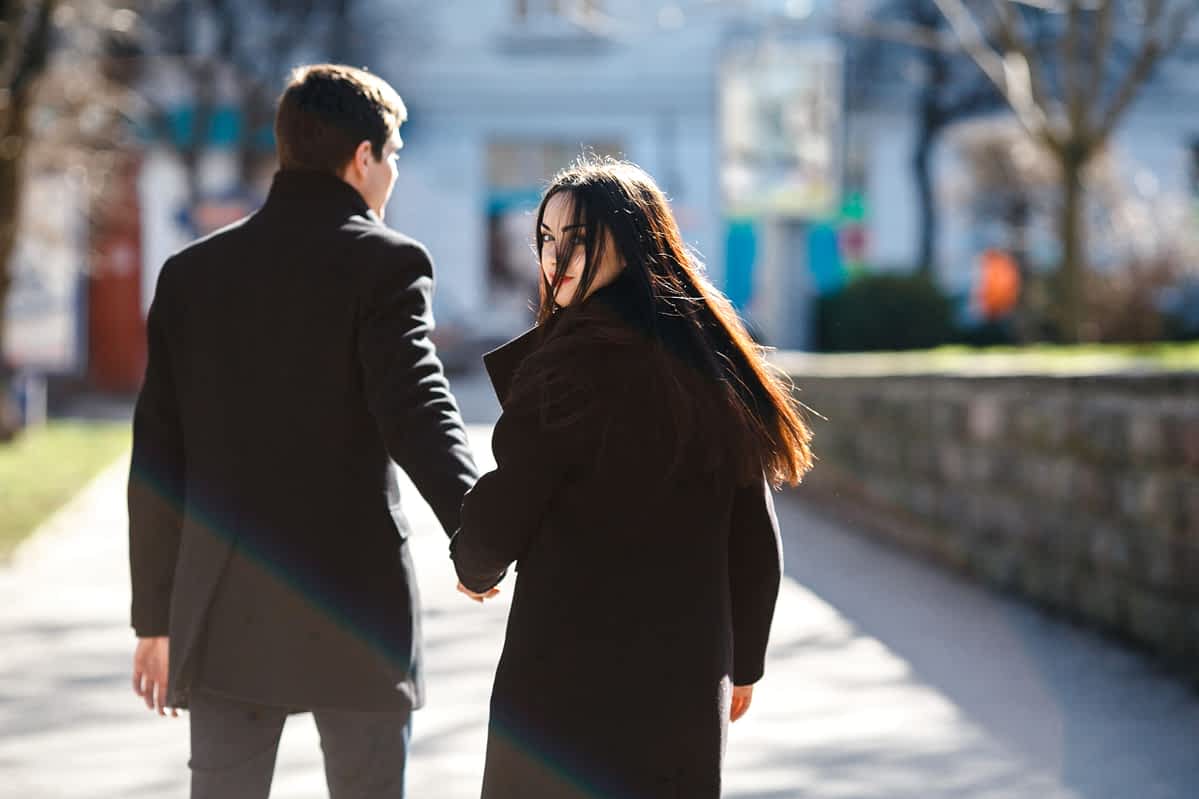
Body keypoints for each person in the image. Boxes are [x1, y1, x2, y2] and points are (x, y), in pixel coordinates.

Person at [127, 63, 479, 799]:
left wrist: (154, 620)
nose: (392, 177)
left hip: (223, 607)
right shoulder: (388, 262)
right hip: (354, 605)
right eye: (393, 158)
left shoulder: (191, 276)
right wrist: (481, 531)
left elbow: (158, 457)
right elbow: (418, 408)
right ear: (362, 157)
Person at [451, 157, 814, 799]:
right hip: (682, 684)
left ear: (632, 243)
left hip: (564, 687)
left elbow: (502, 511)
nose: (556, 257)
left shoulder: (564, 371)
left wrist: (474, 568)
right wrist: (745, 662)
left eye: (580, 239)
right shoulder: (712, 364)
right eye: (545, 238)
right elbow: (755, 538)